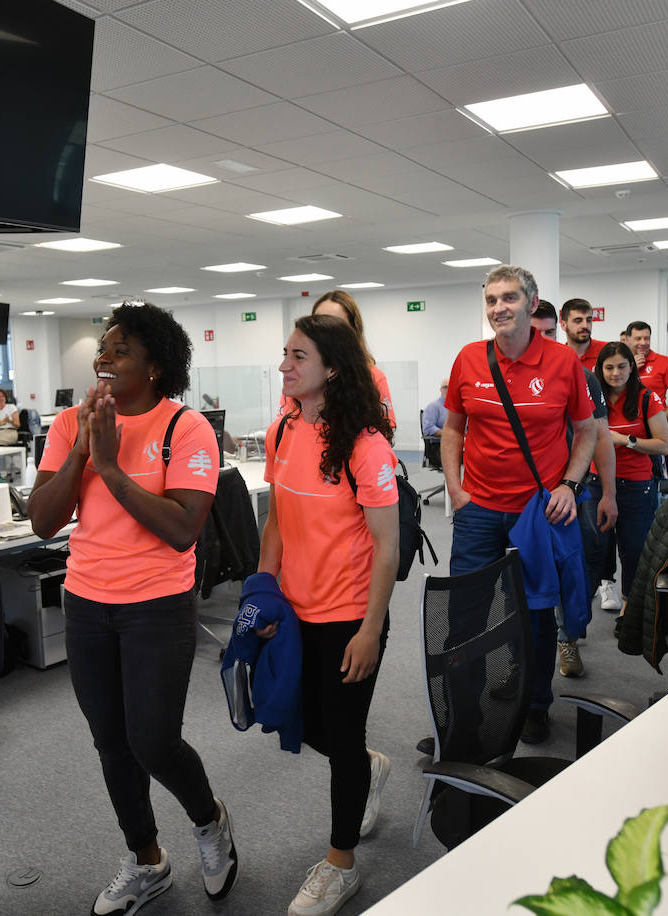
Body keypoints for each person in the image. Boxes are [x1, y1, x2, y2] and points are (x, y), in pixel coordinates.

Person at [29, 301, 238, 916]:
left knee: (154, 741)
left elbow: (182, 530)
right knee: (111, 743)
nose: (105, 359)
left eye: (121, 350)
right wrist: (80, 452)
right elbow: (44, 522)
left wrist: (112, 467)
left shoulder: (186, 429)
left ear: (154, 365)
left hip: (157, 607)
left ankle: (209, 820)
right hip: (88, 605)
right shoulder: (72, 423)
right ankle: (147, 861)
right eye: (105, 349)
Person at [260, 313, 398, 916]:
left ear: (332, 369)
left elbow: (388, 547)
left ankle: (340, 863)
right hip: (293, 611)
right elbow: (275, 522)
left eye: (298, 357)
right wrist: (261, 593)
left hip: (349, 616)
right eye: (285, 354)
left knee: (341, 738)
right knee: (310, 726)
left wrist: (370, 629)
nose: (285, 366)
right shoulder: (282, 430)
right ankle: (369, 767)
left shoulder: (367, 447)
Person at [442, 265, 597, 742]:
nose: (498, 308)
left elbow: (588, 430)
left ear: (532, 303)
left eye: (508, 298)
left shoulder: (562, 362)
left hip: (538, 511)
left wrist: (570, 485)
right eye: (491, 300)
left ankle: (535, 704)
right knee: (463, 615)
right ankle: (460, 712)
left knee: (533, 613)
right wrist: (456, 491)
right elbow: (453, 429)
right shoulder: (469, 359)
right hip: (479, 510)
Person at [532, 302, 617, 677]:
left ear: (558, 331)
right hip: (521, 497)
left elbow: (600, 439)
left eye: (549, 333)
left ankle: (567, 640)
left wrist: (610, 493)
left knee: (576, 567)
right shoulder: (504, 374)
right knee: (521, 576)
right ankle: (520, 654)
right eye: (535, 332)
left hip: (571, 489)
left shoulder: (581, 377)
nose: (541, 340)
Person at [587, 344, 668, 638]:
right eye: (608, 367)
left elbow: (663, 444)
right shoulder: (593, 397)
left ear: (631, 367)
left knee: (634, 551)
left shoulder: (647, 397)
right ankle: (579, 615)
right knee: (594, 549)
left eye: (621, 366)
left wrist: (626, 440)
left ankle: (628, 611)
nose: (615, 373)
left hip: (636, 486)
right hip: (597, 485)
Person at [309, 290, 395, 433]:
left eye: (335, 324)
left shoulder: (373, 377)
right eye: (318, 322)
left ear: (353, 330)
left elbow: (384, 432)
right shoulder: (299, 377)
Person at [625, 321, 668, 479]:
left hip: (657, 428)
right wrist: (630, 369)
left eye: (646, 338)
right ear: (627, 339)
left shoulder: (663, 362)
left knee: (661, 473)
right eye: (638, 339)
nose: (643, 343)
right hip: (629, 426)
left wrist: (662, 421)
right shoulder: (621, 364)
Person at [559, 298, 606, 371]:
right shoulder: (558, 358)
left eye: (589, 320)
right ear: (563, 325)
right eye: (578, 321)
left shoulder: (606, 352)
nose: (585, 325)